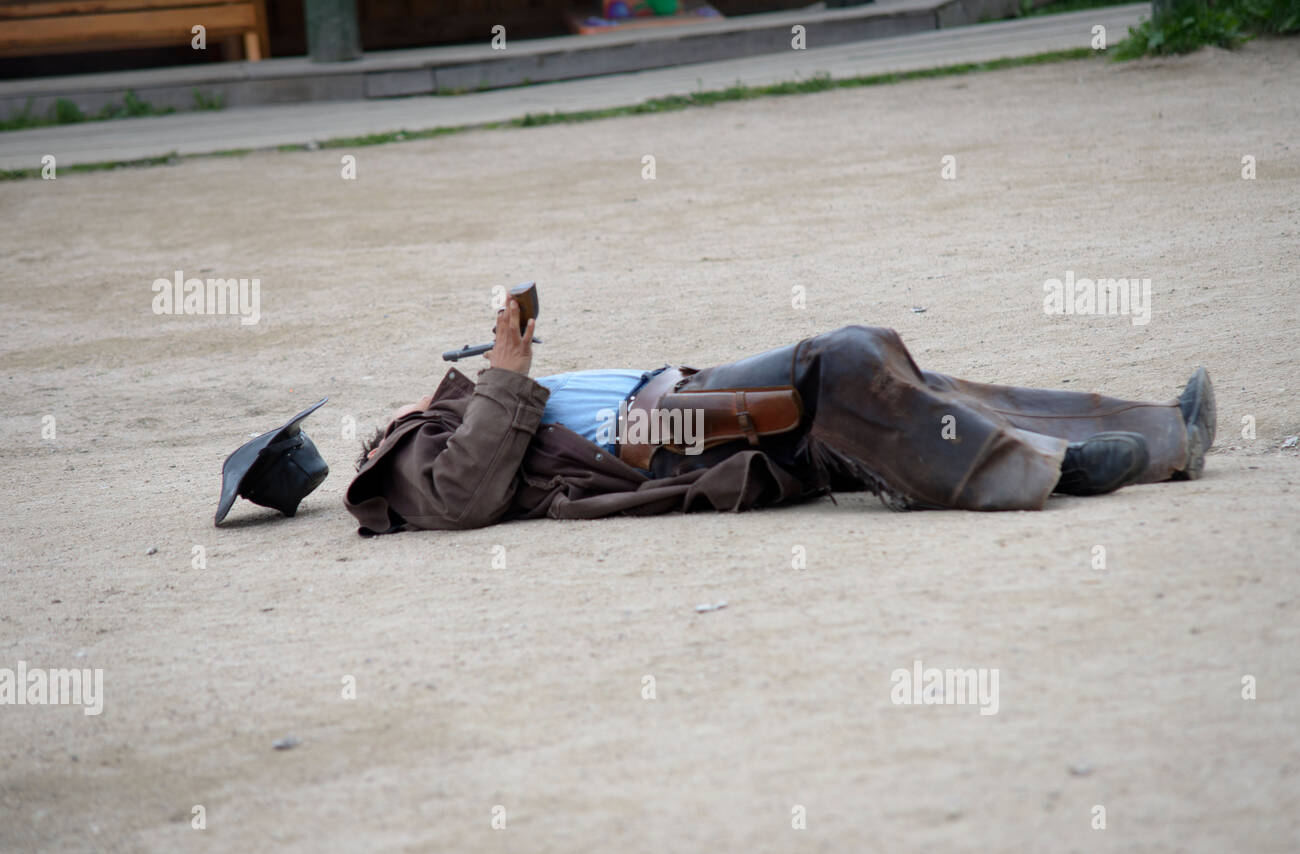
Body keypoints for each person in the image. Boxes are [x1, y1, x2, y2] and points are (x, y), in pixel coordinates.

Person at [344, 295, 1215, 534]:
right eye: (380, 423)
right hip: (663, 438)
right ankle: (1051, 466)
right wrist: (500, 374)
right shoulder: (406, 459)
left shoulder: (455, 403)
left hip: (676, 398)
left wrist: (486, 379)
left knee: (891, 379)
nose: (388, 413)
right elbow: (463, 496)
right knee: (843, 359)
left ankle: (1155, 434)